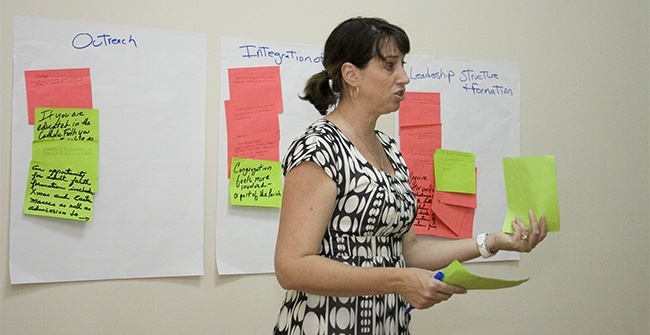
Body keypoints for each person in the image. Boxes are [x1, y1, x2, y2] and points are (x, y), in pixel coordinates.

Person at [273, 17, 547, 335]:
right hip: (325, 326)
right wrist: (400, 279)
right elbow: (292, 267)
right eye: (390, 66)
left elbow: (408, 252)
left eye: (403, 64)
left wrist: (492, 242)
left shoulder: (388, 148)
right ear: (351, 75)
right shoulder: (319, 147)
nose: (404, 77)